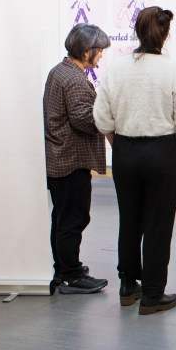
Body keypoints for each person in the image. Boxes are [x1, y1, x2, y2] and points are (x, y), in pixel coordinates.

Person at [93, 6, 176, 315]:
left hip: (125, 151)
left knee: (130, 220)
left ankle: (128, 285)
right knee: (158, 224)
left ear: (137, 31)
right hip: (162, 153)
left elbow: (102, 117)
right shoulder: (172, 71)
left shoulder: (116, 69)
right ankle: (153, 293)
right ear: (165, 34)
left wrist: (120, 145)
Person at [43, 23, 111, 296]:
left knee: (62, 218)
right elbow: (84, 120)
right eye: (100, 50)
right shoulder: (74, 79)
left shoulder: (59, 71)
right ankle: (71, 276)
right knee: (73, 219)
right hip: (71, 161)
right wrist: (106, 111)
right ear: (86, 52)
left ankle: (64, 269)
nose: (101, 55)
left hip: (59, 158)